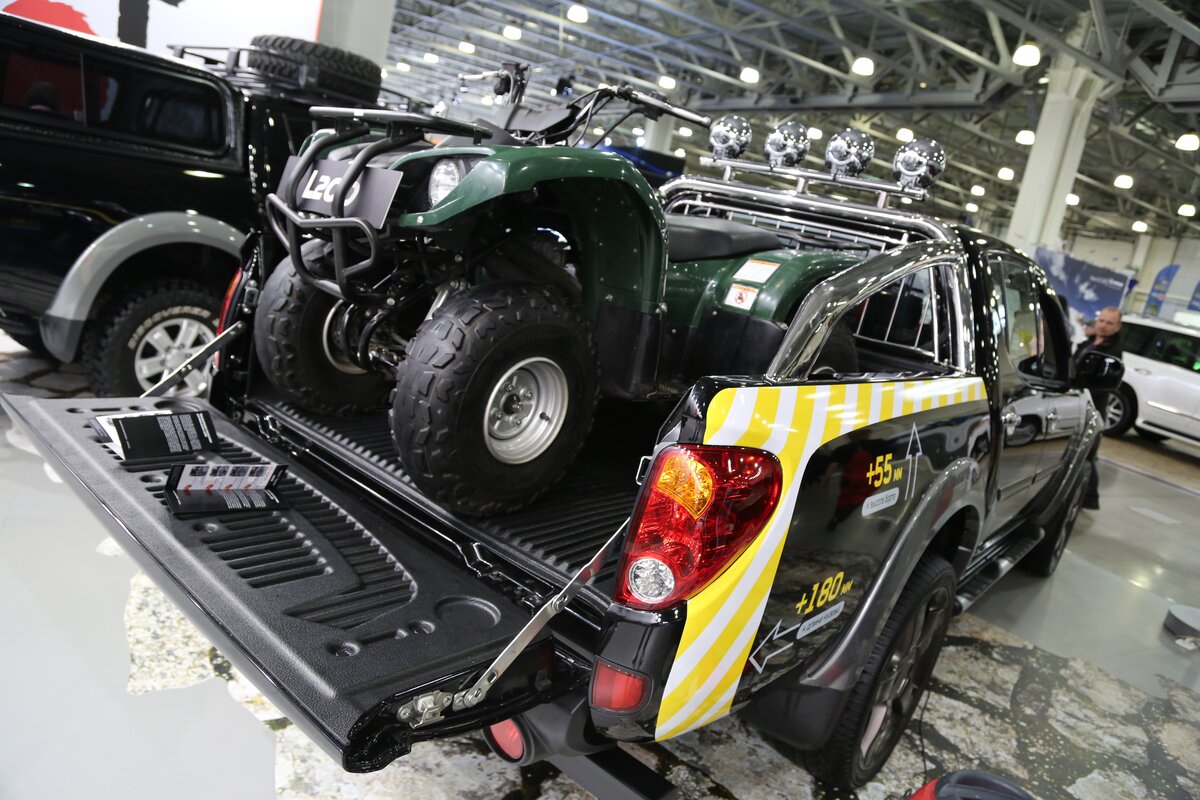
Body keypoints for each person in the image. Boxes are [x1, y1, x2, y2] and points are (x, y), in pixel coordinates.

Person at [1074, 306, 1123, 510]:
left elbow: (1103, 383)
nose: (1103, 325)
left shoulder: (1113, 352)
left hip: (1092, 408)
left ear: (1117, 326)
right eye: (1101, 320)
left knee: (1086, 454)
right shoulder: (1088, 343)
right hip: (1075, 402)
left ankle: (1090, 497)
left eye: (1109, 323)